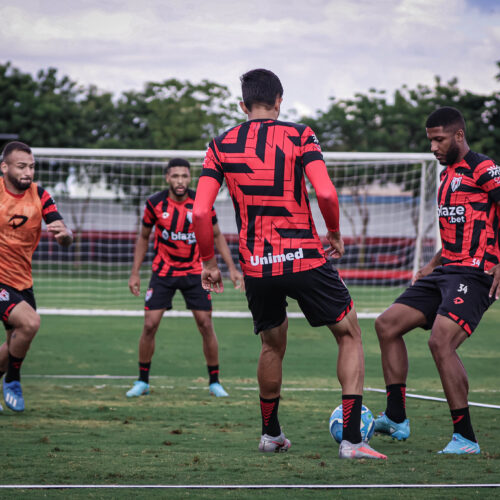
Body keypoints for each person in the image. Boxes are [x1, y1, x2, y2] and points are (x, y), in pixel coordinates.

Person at [193, 68, 387, 459]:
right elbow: (327, 192)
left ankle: (271, 435)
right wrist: (333, 232)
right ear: (280, 101)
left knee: (272, 344)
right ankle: (352, 441)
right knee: (349, 334)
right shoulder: (300, 135)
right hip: (303, 257)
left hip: (257, 265)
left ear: (242, 104)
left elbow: (199, 212)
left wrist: (209, 262)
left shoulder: (220, 144)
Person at [374, 106, 500, 454]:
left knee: (440, 342)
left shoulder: (485, 169)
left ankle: (466, 438)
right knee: (386, 325)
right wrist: (431, 265)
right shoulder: (446, 177)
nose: (433, 147)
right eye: (430, 140)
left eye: (439, 139)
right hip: (446, 270)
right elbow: (457, 234)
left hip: (476, 274)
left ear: (459, 135)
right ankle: (396, 418)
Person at [126, 158, 243, 399]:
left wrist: (232, 268)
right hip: (163, 272)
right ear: (167, 178)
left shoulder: (201, 203)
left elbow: (218, 235)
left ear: (190, 178)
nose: (180, 181)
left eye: (184, 176)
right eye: (175, 176)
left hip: (194, 273)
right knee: (149, 325)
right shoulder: (154, 203)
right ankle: (142, 381)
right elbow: (144, 237)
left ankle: (214, 382)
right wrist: (135, 272)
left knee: (206, 325)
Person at [0, 141, 73, 412]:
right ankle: (14, 381)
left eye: (31, 166)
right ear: (4, 167)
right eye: (21, 166)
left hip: (22, 281)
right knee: (30, 324)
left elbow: (64, 233)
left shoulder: (40, 195)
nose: (28, 172)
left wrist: (65, 236)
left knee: (13, 344)